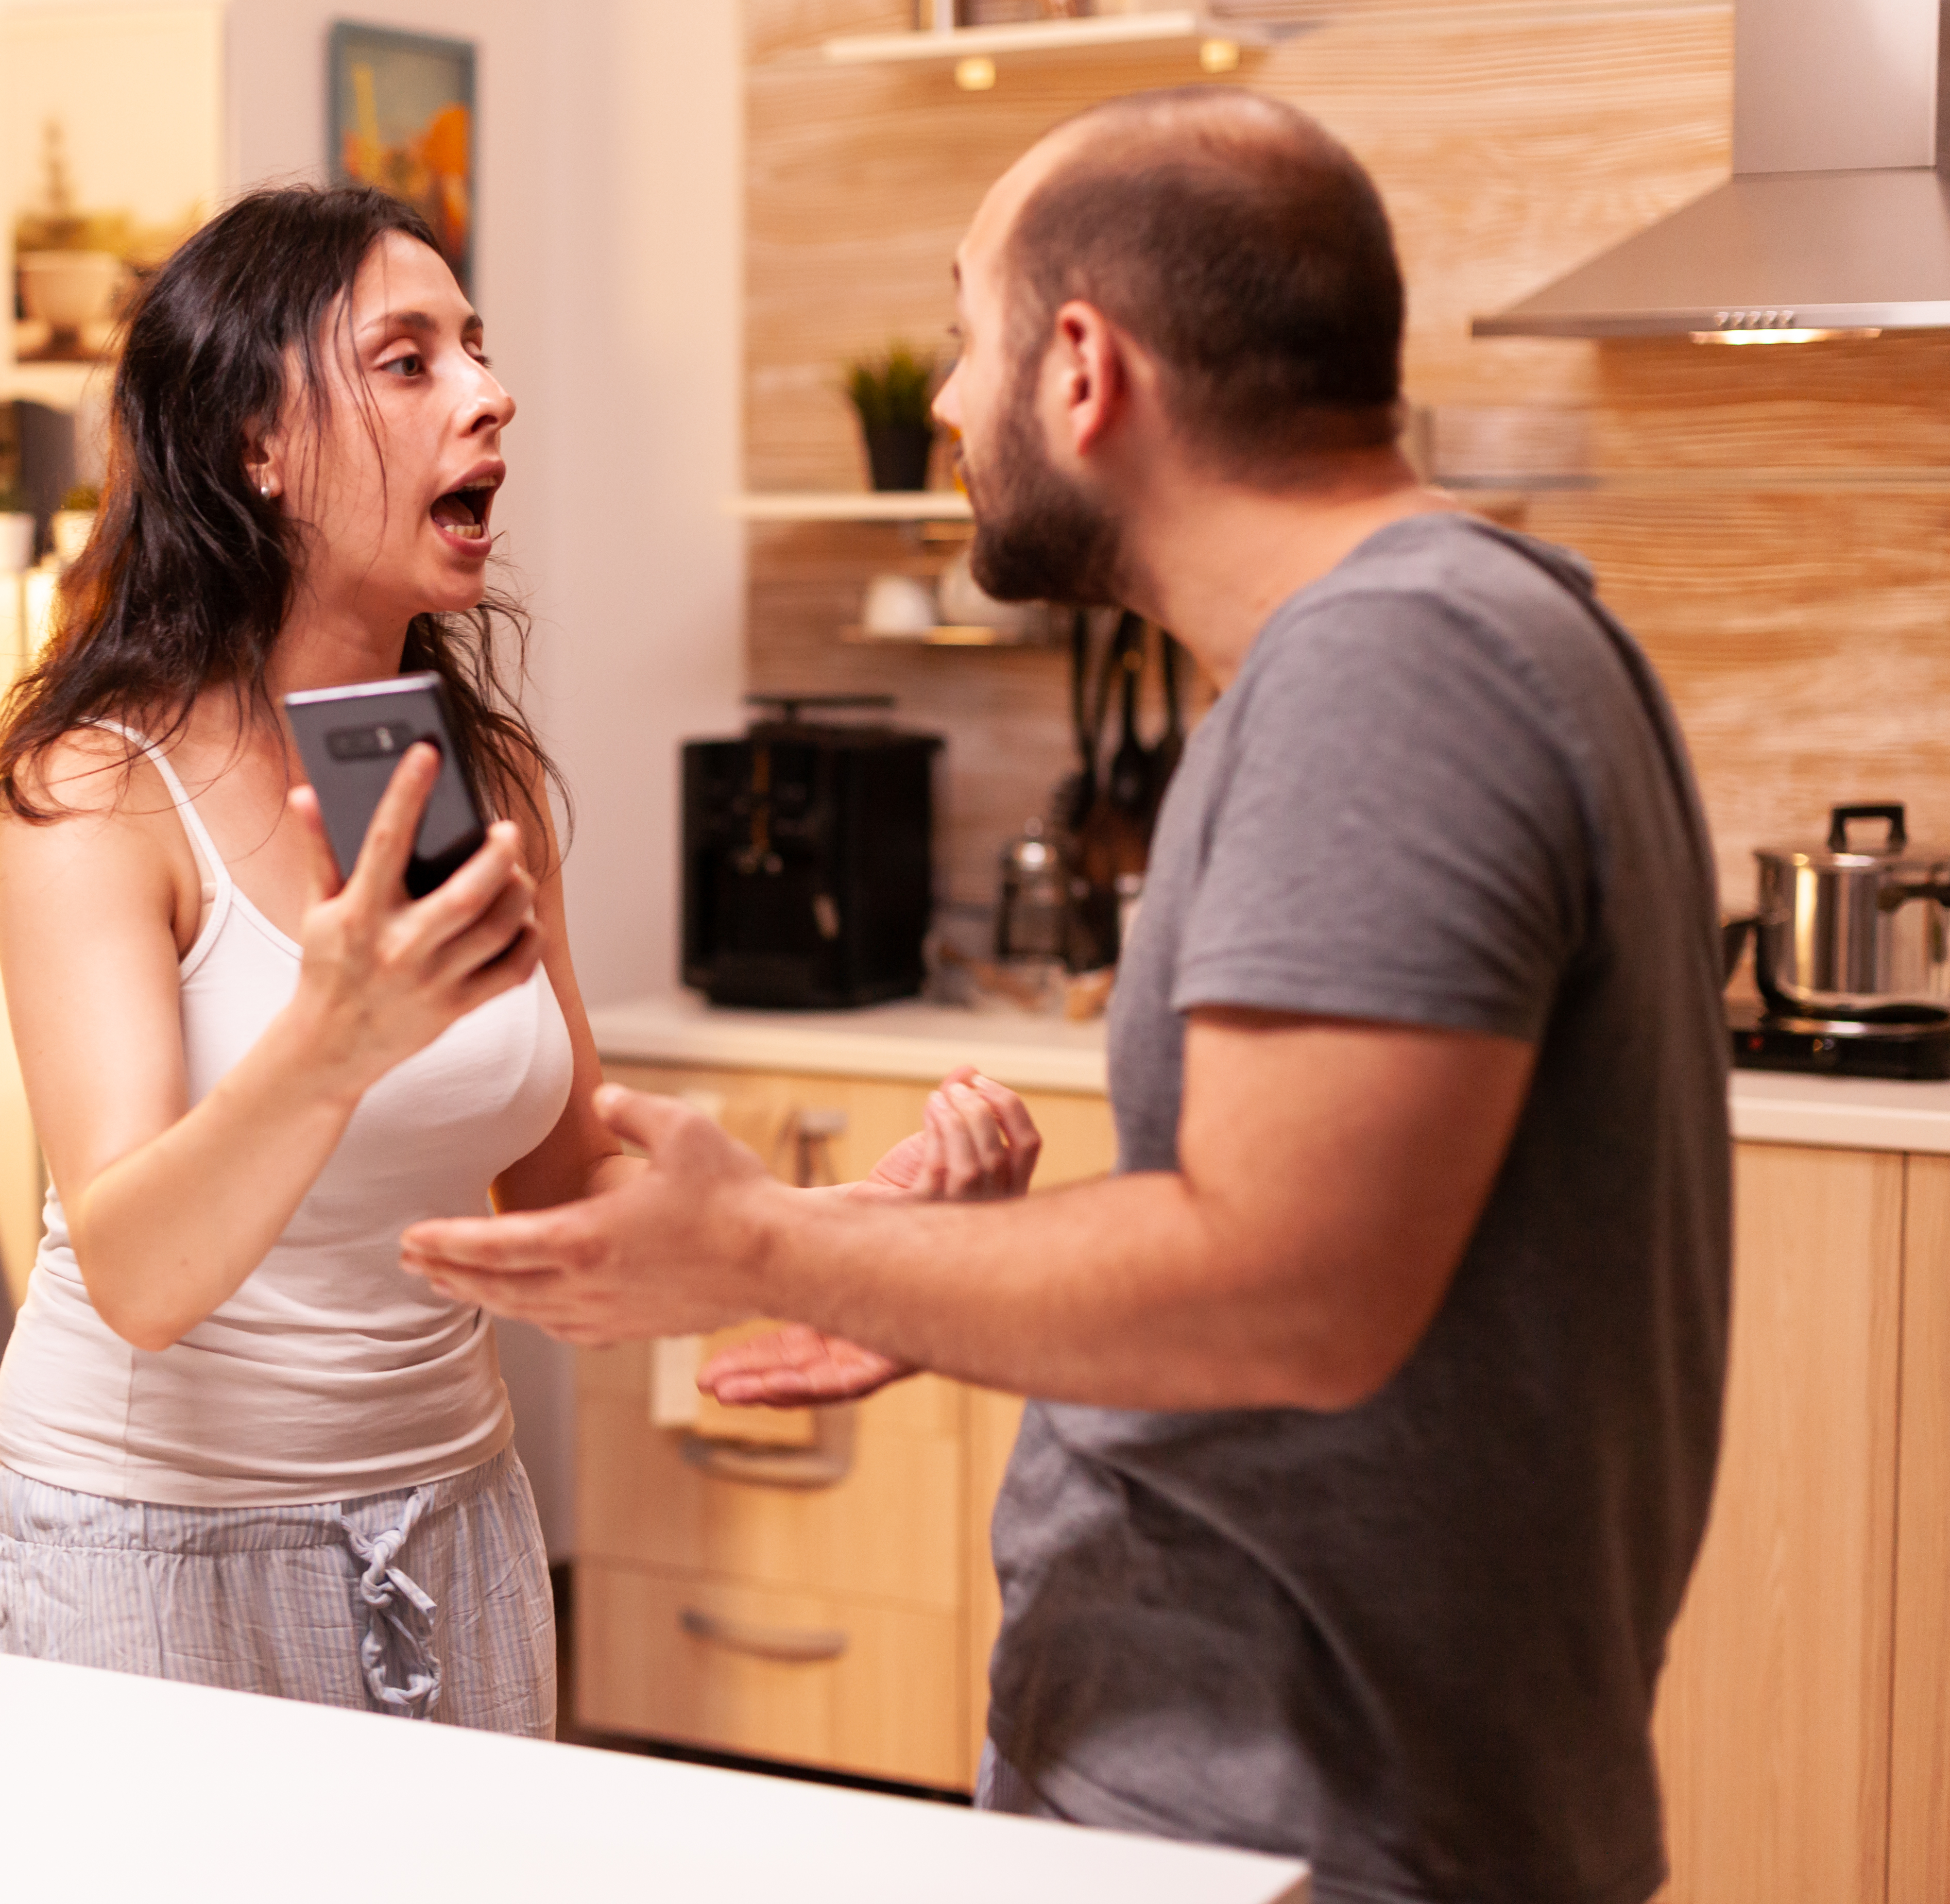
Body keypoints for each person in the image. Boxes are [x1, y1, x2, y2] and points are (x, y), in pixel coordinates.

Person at [399, 89, 1731, 1904]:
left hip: (1300, 1817)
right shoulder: (1470, 629)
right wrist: (941, 1281)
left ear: (1083, 369)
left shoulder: (1386, 672)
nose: (945, 404)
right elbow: (1301, 1251)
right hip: (1303, 1795)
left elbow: (1288, 1292)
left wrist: (776, 1250)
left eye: (966, 339)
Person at [0, 184, 1012, 1734]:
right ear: (258, 446)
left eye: (478, 349)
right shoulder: (103, 792)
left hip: (453, 1521)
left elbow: (567, 1197)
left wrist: (859, 1230)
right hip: (153, 1550)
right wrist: (333, 1035)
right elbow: (139, 1276)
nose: (490, 391)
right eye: (409, 361)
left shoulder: (477, 773)